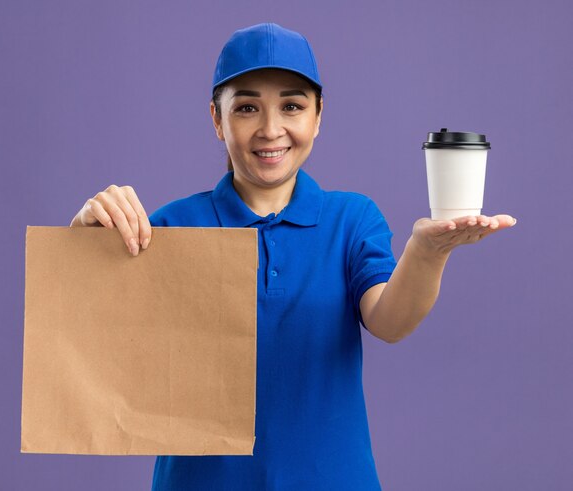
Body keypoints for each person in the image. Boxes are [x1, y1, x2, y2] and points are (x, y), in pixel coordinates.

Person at [70, 23, 516, 491]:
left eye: (292, 106)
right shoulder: (168, 227)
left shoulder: (351, 219)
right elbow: (91, 347)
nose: (270, 129)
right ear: (216, 119)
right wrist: (84, 244)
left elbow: (390, 320)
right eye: (246, 108)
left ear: (318, 116)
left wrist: (427, 252)